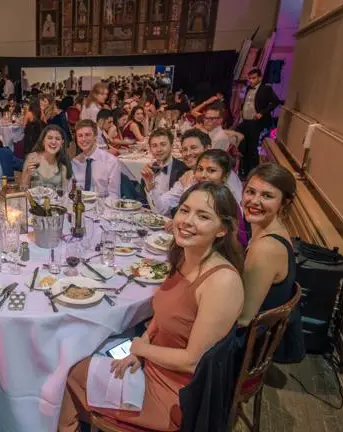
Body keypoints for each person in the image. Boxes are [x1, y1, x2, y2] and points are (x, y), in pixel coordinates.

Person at [59, 181, 245, 431]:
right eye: (184, 210)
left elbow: (193, 361)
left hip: (178, 396)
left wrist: (142, 349)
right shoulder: (184, 256)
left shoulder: (222, 282)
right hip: (153, 364)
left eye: (202, 216)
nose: (187, 221)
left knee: (69, 375)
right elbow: (163, 313)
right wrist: (142, 345)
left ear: (222, 229)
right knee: (77, 357)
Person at [239, 163, 304, 362]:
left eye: (267, 196)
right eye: (250, 191)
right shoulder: (272, 229)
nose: (254, 201)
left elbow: (243, 319)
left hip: (247, 348)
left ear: (284, 202)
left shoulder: (266, 249)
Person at [145, 128, 243, 215]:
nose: (188, 153)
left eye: (193, 148)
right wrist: (151, 186)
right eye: (184, 149)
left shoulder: (224, 174)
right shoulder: (188, 176)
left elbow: (234, 214)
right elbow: (161, 208)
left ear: (207, 148)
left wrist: (188, 188)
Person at [237, 68, 282, 176]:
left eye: (254, 78)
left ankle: (253, 172)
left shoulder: (265, 89)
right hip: (245, 121)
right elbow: (247, 102)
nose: (251, 80)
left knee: (252, 148)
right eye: (250, 78)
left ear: (259, 78)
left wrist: (262, 113)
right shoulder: (248, 88)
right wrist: (241, 110)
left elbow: (275, 102)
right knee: (243, 146)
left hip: (255, 122)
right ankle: (244, 170)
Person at [71, 119, 120, 199]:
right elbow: (71, 192)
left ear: (95, 137)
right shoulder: (74, 162)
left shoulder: (111, 161)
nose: (83, 139)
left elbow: (114, 195)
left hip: (103, 208)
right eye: (80, 136)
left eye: (87, 135)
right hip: (79, 207)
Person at [21, 125, 72, 190]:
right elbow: (22, 188)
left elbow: (66, 193)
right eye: (50, 138)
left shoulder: (63, 165)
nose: (53, 142)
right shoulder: (33, 158)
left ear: (62, 143)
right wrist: (27, 173)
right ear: (43, 141)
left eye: (57, 139)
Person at [140, 128, 188, 194]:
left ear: (172, 146)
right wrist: (148, 186)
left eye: (163, 144)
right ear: (150, 149)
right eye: (154, 146)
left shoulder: (183, 169)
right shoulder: (149, 170)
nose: (158, 149)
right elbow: (142, 200)